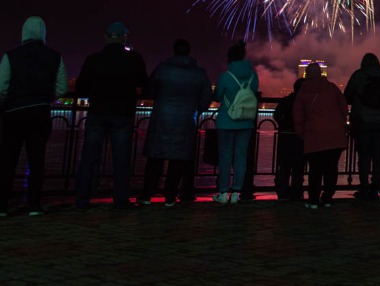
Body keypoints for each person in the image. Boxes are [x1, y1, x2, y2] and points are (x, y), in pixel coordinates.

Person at [75, 22, 148, 210]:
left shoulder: (93, 59)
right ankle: (121, 200)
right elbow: (144, 84)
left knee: (89, 158)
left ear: (106, 37)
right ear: (125, 38)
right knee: (122, 159)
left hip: (97, 112)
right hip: (123, 114)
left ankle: (82, 200)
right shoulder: (134, 59)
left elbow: (81, 87)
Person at [0, 16, 68, 217]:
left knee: (8, 160)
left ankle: (3, 204)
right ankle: (34, 204)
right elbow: (62, 88)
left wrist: (7, 102)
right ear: (43, 33)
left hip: (13, 114)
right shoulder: (55, 57)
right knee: (36, 159)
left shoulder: (10, 56)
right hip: (40, 112)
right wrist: (46, 97)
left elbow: (2, 87)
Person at [139, 38, 212, 207]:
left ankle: (147, 195)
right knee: (178, 160)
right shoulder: (200, 73)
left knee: (155, 158)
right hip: (186, 120)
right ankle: (170, 196)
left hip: (161, 118)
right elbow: (206, 98)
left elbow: (149, 91)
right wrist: (195, 111)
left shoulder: (162, 69)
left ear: (173, 51)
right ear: (189, 52)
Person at [293, 62, 347, 209]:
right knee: (331, 169)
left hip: (314, 135)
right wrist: (340, 125)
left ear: (306, 74)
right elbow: (344, 108)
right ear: (322, 73)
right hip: (335, 137)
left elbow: (297, 115)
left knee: (315, 170)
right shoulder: (332, 88)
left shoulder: (303, 91)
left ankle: (313, 200)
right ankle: (328, 198)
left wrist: (301, 133)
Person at [211, 40, 259, 204]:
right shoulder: (253, 76)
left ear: (229, 58)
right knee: (241, 157)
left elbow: (217, 97)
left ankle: (223, 193)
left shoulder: (225, 76)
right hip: (246, 121)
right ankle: (237, 193)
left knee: (225, 157)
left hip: (226, 121)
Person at [343, 52, 380, 201]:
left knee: (363, 156)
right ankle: (375, 188)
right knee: (378, 157)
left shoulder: (359, 75)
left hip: (362, 121)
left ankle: (364, 187)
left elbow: (347, 95)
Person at [273, 78, 305, 202]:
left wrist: (283, 125)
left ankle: (283, 192)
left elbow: (276, 115)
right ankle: (296, 192)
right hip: (299, 137)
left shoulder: (285, 101)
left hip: (285, 136)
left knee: (284, 165)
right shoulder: (304, 103)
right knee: (298, 167)